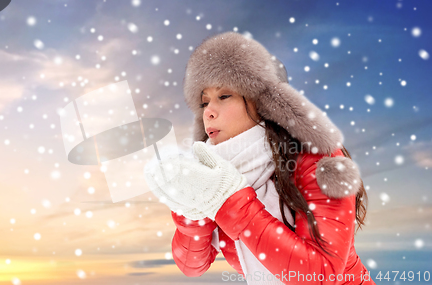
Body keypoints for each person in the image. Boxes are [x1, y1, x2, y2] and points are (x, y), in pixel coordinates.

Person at [144, 32, 375, 284]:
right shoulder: (214, 173)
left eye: (224, 96)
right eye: (203, 103)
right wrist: (189, 204)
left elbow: (322, 274)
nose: (208, 112)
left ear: (263, 103)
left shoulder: (317, 161)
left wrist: (229, 199)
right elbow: (192, 266)